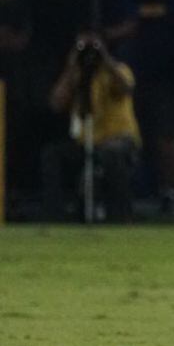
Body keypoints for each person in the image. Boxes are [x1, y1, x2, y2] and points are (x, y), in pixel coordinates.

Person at [107, 0, 174, 210]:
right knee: (127, 139)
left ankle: (170, 193)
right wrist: (126, 30)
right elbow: (103, 33)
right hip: (127, 82)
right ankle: (124, 198)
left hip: (165, 81)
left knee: (167, 138)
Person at [42, 30, 141, 222]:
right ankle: (54, 216)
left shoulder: (118, 70)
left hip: (119, 139)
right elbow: (56, 103)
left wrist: (105, 59)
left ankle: (120, 216)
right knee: (51, 155)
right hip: (87, 141)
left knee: (110, 154)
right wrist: (71, 67)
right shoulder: (76, 77)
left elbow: (126, 88)